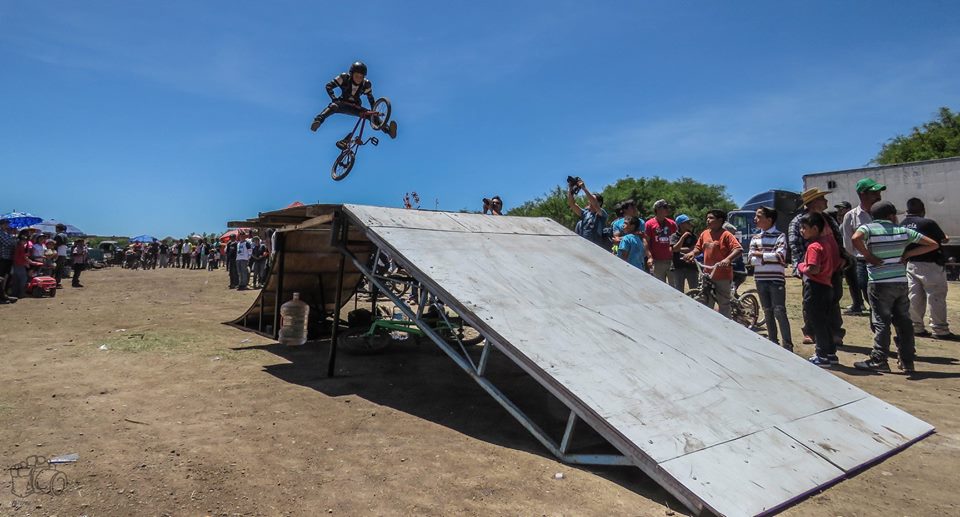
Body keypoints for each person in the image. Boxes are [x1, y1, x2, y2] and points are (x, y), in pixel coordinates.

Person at [852, 201, 939, 374]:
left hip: (878, 282)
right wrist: (908, 253)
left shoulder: (868, 229)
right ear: (891, 216)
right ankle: (907, 360)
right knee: (904, 321)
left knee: (881, 321)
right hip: (900, 281)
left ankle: (879, 359)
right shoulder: (903, 231)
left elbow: (855, 238)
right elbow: (933, 244)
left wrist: (868, 256)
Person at [788, 187, 847, 346]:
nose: (826, 201)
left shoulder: (828, 219)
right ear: (813, 202)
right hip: (813, 270)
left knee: (833, 299)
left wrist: (843, 257)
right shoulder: (799, 221)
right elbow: (795, 246)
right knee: (811, 302)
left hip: (833, 268)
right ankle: (810, 331)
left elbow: (838, 239)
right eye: (822, 198)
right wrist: (801, 267)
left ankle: (834, 332)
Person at [310, 61, 398, 146]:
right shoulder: (344, 78)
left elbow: (371, 99)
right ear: (351, 74)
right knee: (333, 106)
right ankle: (318, 121)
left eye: (361, 77)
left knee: (369, 115)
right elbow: (329, 86)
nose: (359, 79)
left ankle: (389, 131)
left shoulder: (366, 84)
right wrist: (334, 98)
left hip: (355, 107)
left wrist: (374, 111)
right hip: (342, 104)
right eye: (356, 76)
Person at [901, 198, 954, 340]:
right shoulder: (928, 223)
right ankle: (940, 329)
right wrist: (945, 237)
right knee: (936, 296)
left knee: (914, 296)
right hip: (931, 265)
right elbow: (943, 239)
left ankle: (916, 327)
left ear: (907, 211)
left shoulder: (902, 224)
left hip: (912, 265)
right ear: (923, 210)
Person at [796, 212, 840, 367]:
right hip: (827, 286)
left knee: (817, 322)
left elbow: (813, 269)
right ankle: (831, 353)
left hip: (815, 287)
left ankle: (821, 355)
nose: (801, 231)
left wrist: (801, 267)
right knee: (825, 321)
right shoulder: (827, 244)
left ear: (815, 228)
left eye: (804, 227)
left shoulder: (814, 247)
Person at [683, 210, 743, 318]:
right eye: (707, 218)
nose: (708, 220)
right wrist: (692, 253)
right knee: (707, 303)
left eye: (711, 218)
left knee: (723, 304)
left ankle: (726, 325)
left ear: (720, 220)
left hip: (722, 275)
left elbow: (738, 249)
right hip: (707, 274)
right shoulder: (705, 233)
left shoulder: (726, 235)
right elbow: (698, 248)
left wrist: (727, 260)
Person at [749, 206, 793, 351]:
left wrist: (760, 255)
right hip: (760, 279)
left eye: (759, 216)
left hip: (775, 279)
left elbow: (780, 256)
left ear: (769, 219)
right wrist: (768, 257)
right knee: (767, 311)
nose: (755, 219)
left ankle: (787, 345)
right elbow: (750, 259)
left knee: (779, 311)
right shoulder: (755, 237)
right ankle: (773, 342)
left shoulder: (780, 236)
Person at [841, 178, 885, 315]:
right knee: (867, 291)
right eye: (874, 193)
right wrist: (863, 256)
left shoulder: (885, 212)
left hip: (884, 260)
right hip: (863, 262)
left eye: (879, 193)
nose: (878, 196)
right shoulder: (851, 216)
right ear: (862, 194)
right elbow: (848, 243)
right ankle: (876, 317)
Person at [566, 178, 608, 248]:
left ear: (600, 203)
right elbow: (572, 204)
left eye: (592, 199)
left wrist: (584, 188)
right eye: (589, 199)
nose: (589, 201)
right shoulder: (585, 213)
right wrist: (570, 188)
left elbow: (595, 204)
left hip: (596, 247)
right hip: (583, 246)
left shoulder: (602, 213)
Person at [644, 199, 678, 282]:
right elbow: (646, 242)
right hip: (657, 261)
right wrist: (649, 257)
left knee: (674, 286)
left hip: (671, 261)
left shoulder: (672, 224)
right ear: (658, 209)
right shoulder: (649, 224)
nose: (667, 209)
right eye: (665, 207)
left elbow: (676, 241)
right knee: (659, 286)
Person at [670, 214, 698, 292]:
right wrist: (683, 237)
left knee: (694, 289)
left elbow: (694, 249)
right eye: (687, 222)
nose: (690, 224)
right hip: (678, 267)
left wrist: (680, 249)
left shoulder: (693, 236)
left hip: (691, 267)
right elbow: (674, 249)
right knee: (678, 291)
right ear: (681, 225)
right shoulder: (674, 236)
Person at [53, 224, 69, 288]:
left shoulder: (58, 236)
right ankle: (58, 282)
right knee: (60, 269)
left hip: (58, 254)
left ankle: (54, 282)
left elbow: (56, 245)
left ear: (58, 228)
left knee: (55, 269)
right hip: (63, 254)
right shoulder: (65, 235)